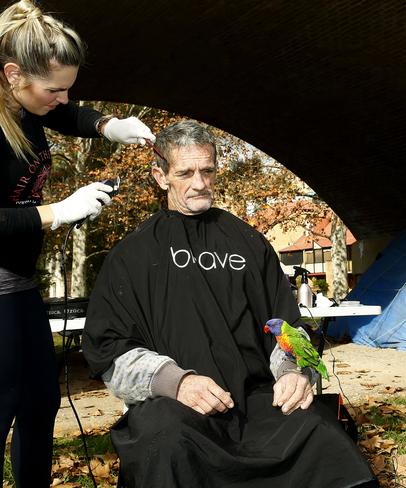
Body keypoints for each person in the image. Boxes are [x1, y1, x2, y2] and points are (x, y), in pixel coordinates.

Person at [82, 120, 377, 488]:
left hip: (256, 399)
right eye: (185, 172)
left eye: (207, 170)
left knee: (325, 437)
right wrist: (178, 382)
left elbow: (287, 327)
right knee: (164, 443)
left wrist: (292, 373)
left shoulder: (248, 243)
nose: (200, 182)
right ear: (161, 177)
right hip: (178, 406)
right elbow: (109, 351)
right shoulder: (132, 255)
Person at [0, 1, 155, 486]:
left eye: (68, 87)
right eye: (54, 89)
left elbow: (67, 116)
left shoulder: (29, 107)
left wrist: (109, 126)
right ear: (12, 75)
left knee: (40, 401)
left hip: (18, 282)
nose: (63, 98)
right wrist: (54, 212)